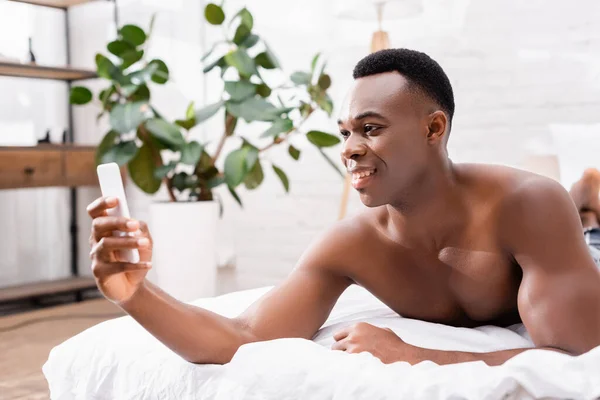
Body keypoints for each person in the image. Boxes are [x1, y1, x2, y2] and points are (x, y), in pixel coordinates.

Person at [86, 48, 600, 367]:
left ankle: (587, 197)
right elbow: (241, 338)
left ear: (433, 128)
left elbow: (576, 353)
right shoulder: (352, 243)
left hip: (584, 253)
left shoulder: (526, 202)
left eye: (371, 129)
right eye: (347, 132)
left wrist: (421, 357)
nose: (350, 148)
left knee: (588, 227)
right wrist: (135, 294)